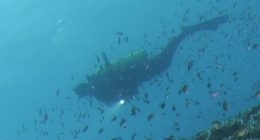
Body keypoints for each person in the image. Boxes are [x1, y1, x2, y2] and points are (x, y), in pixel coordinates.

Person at [75, 15, 228, 105]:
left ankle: (186, 32)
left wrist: (124, 95)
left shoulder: (101, 89)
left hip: (141, 71)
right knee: (166, 60)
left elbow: (124, 91)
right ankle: (188, 32)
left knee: (165, 59)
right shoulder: (100, 80)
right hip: (141, 71)